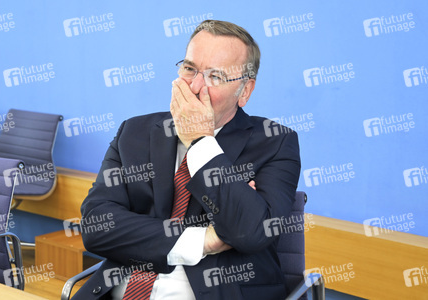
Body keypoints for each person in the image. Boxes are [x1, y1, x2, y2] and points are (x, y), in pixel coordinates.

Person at [73, 20, 300, 300]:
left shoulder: (275, 142)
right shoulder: (134, 132)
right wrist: (204, 240)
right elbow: (97, 226)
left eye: (215, 76)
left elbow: (252, 232)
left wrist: (201, 141)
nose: (194, 87)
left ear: (245, 91)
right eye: (190, 69)